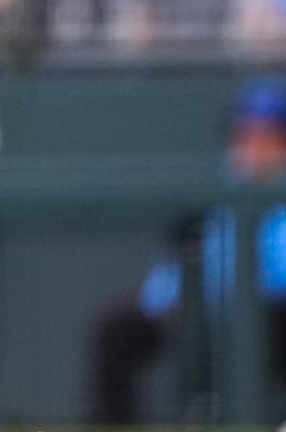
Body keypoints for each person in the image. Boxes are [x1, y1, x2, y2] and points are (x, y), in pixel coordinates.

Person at [88, 78, 286, 422]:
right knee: (117, 323)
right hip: (202, 312)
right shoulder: (219, 190)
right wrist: (165, 300)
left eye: (267, 138)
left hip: (267, 317)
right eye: (246, 136)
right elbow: (172, 272)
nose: (254, 148)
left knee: (265, 318)